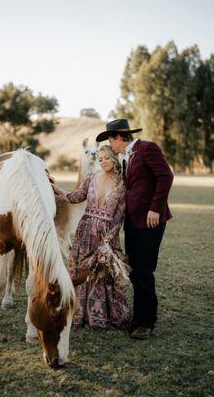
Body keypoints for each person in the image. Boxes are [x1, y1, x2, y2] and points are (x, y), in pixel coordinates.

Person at [96, 119, 174, 340]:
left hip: (151, 221)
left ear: (121, 136)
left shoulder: (147, 148)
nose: (110, 144)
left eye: (111, 139)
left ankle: (147, 322)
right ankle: (138, 318)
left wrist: (155, 208)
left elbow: (165, 176)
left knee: (144, 272)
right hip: (133, 223)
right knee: (135, 271)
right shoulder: (126, 157)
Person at [52, 145, 131, 329]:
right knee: (81, 271)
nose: (102, 161)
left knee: (102, 273)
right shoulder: (92, 178)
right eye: (100, 158)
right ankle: (78, 313)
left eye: (106, 158)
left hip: (106, 235)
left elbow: (119, 216)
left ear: (114, 160)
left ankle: (99, 316)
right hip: (85, 232)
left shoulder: (121, 184)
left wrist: (108, 241)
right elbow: (76, 196)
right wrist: (58, 191)